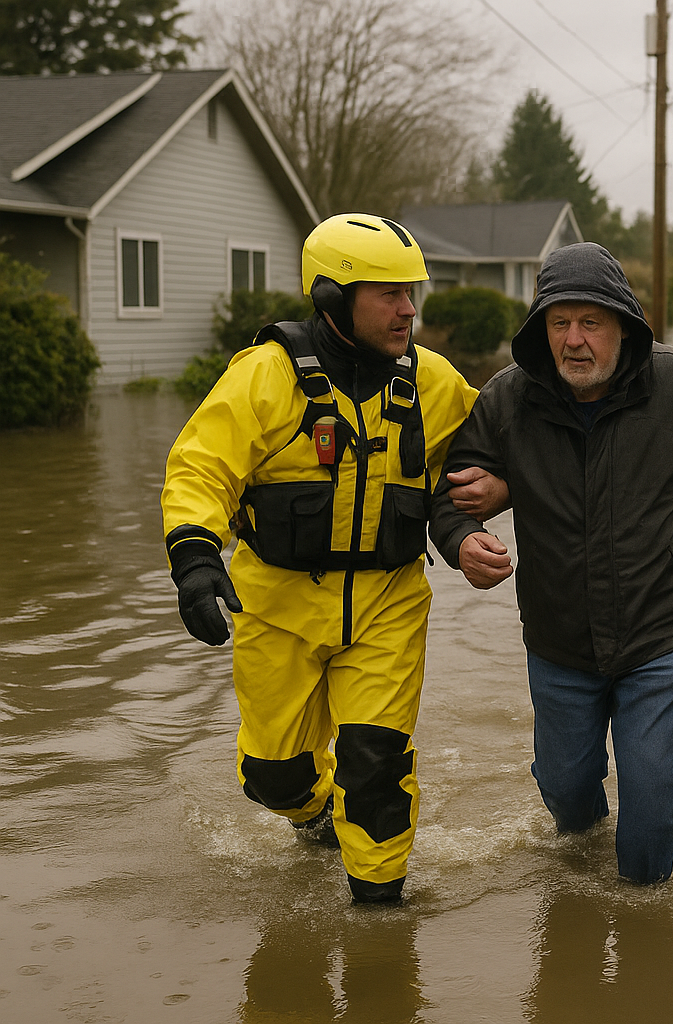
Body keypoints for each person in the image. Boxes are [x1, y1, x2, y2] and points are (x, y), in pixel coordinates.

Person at [427, 241, 673, 885]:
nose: (574, 340)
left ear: (623, 324)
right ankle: (582, 879)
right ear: (541, 329)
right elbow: (449, 490)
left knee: (650, 812)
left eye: (590, 322)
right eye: (559, 322)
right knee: (566, 795)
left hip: (663, 632)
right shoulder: (510, 399)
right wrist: (459, 540)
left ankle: (645, 935)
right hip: (558, 636)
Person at [161, 214, 480, 904]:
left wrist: (485, 506)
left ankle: (380, 913)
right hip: (276, 605)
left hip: (388, 603)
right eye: (388, 294)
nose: (408, 309)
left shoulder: (434, 381)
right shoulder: (266, 377)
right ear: (333, 297)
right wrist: (194, 557)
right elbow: (200, 467)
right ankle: (312, 816)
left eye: (411, 291)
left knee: (376, 765)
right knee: (272, 775)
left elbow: (497, 442)